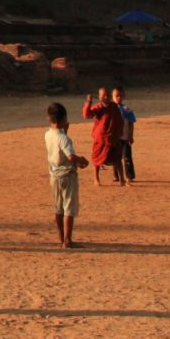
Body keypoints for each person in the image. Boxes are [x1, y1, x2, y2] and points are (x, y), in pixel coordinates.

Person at [45, 102, 89, 248]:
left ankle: (61, 237)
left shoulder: (48, 134)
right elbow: (70, 156)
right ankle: (68, 240)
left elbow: (59, 149)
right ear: (64, 118)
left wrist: (65, 131)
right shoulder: (64, 138)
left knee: (58, 208)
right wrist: (81, 160)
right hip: (67, 175)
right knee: (69, 207)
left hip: (54, 175)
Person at [81, 86, 126, 186]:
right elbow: (87, 115)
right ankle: (96, 179)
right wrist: (88, 102)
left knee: (117, 159)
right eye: (103, 95)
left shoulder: (114, 107)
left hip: (113, 138)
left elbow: (119, 120)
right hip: (101, 138)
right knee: (97, 159)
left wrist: (119, 133)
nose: (106, 97)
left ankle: (122, 179)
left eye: (108, 95)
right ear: (100, 96)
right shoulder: (98, 107)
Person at [114, 86, 137, 184]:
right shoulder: (111, 109)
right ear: (112, 97)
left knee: (127, 156)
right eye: (116, 96)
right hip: (114, 138)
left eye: (120, 96)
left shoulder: (126, 110)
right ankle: (117, 176)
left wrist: (131, 136)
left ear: (123, 97)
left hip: (125, 137)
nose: (119, 98)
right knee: (115, 157)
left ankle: (129, 176)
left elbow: (131, 124)